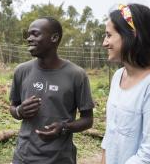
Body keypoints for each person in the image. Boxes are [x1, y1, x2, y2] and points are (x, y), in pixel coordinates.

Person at [101, 3, 150, 164]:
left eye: (109, 35)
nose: (104, 43)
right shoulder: (118, 76)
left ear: (132, 35)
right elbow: (111, 134)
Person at [9, 16, 94, 164]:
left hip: (60, 158)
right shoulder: (21, 71)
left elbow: (88, 120)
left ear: (54, 38)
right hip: (23, 157)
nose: (29, 38)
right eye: (28, 35)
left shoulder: (76, 75)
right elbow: (13, 107)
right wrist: (19, 111)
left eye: (35, 34)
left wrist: (63, 127)